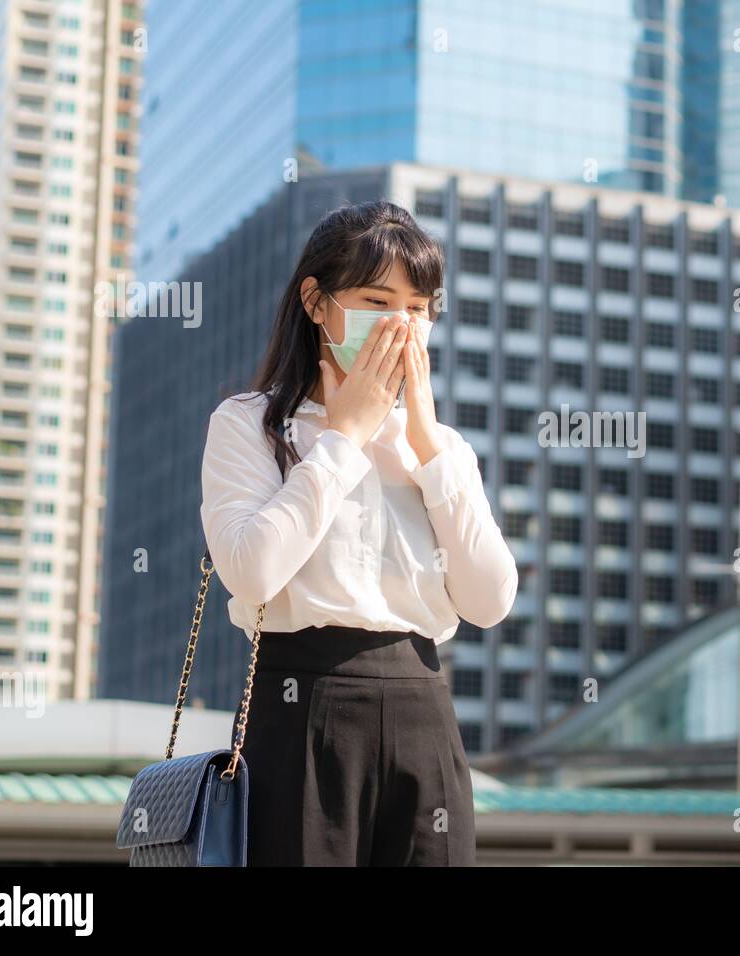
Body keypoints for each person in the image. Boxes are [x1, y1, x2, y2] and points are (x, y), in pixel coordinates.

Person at [199, 200, 517, 866]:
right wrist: (343, 437)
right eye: (378, 300)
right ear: (316, 302)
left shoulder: (442, 448)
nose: (402, 325)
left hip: (422, 705)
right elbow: (253, 571)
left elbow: (489, 601)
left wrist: (430, 450)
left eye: (420, 307)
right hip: (300, 705)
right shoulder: (249, 425)